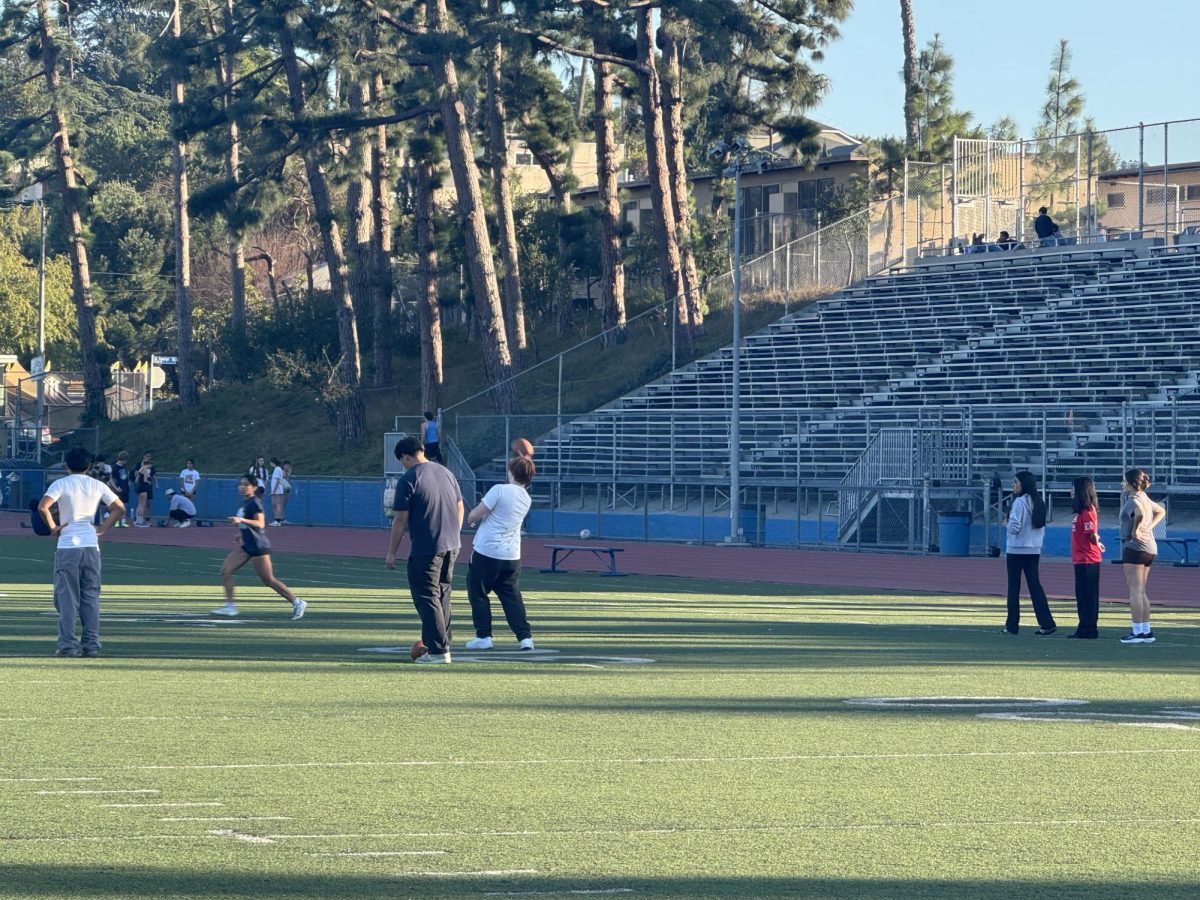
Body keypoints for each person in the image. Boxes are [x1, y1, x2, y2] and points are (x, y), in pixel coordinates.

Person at [38, 447, 126, 657]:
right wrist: (103, 528)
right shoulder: (97, 485)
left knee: (67, 597)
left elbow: (43, 507)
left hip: (68, 544)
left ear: (67, 465)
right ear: (89, 466)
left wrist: (53, 528)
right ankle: (92, 644)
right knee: (91, 596)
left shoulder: (61, 484)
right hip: (90, 544)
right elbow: (119, 508)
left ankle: (67, 644)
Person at [385, 436, 463, 665]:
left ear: (405, 456)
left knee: (426, 596)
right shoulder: (445, 472)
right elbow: (460, 505)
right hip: (451, 545)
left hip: (427, 547)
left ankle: (439, 651)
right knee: (442, 595)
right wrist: (454, 532)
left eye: (403, 461)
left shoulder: (409, 478)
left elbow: (400, 520)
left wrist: (392, 552)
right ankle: (440, 643)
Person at [465, 455, 537, 652]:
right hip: (512, 555)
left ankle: (484, 636)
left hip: (487, 550)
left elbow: (476, 513)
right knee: (511, 596)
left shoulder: (499, 489)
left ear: (511, 472)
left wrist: (471, 519)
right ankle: (525, 638)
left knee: (477, 592)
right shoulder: (526, 498)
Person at [212, 478, 306, 620]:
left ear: (254, 487)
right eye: (240, 484)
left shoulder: (254, 502)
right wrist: (241, 532)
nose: (242, 487)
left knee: (268, 580)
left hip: (258, 546)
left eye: (246, 485)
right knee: (225, 571)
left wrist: (241, 521)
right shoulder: (246, 502)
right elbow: (251, 524)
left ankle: (297, 602)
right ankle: (230, 607)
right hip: (246, 545)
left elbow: (260, 524)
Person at [1002, 470, 1056, 635]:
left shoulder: (1019, 502)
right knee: (1035, 586)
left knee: (1013, 587)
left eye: (1016, 482)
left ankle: (1012, 625)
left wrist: (1006, 523)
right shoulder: (1039, 501)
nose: (1013, 485)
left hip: (1016, 550)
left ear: (1023, 484)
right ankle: (1047, 623)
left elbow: (1014, 527)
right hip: (1033, 549)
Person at [1119, 467, 1166, 645]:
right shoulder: (1144, 497)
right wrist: (1149, 527)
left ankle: (1137, 631)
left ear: (1132, 483)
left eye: (1124, 481)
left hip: (1135, 547)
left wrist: (1137, 529)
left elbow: (1138, 513)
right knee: (1141, 590)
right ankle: (1146, 630)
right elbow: (1161, 511)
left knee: (1135, 591)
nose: (1122, 484)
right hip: (1149, 547)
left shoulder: (1134, 499)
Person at [1069, 476, 1104, 639]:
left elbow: (1091, 534)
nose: (1071, 492)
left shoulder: (1088, 511)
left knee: (1088, 595)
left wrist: (1097, 543)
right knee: (1082, 595)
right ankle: (1083, 626)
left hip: (1088, 559)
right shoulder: (1081, 512)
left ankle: (1089, 628)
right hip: (1080, 558)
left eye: (1073, 488)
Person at [133, 451, 157, 527]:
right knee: (142, 505)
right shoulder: (145, 470)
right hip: (144, 487)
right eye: (150, 465)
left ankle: (138, 520)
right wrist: (148, 482)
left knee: (140, 504)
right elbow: (145, 480)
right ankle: (140, 521)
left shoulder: (142, 469)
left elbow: (136, 480)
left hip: (140, 487)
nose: (151, 466)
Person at [111, 451, 132, 527]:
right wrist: (116, 488)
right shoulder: (115, 467)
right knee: (118, 507)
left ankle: (123, 522)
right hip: (118, 489)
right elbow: (111, 479)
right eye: (126, 460)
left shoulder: (124, 467)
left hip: (125, 488)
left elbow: (126, 476)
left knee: (124, 506)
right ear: (123, 459)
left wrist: (128, 482)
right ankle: (116, 522)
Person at [268, 457, 287, 526]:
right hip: (277, 490)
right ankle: (277, 519)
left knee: (277, 505)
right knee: (274, 505)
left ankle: (277, 520)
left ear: (273, 463)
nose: (270, 464)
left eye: (270, 462)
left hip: (277, 490)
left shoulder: (277, 469)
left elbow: (277, 481)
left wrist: (273, 491)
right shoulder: (278, 469)